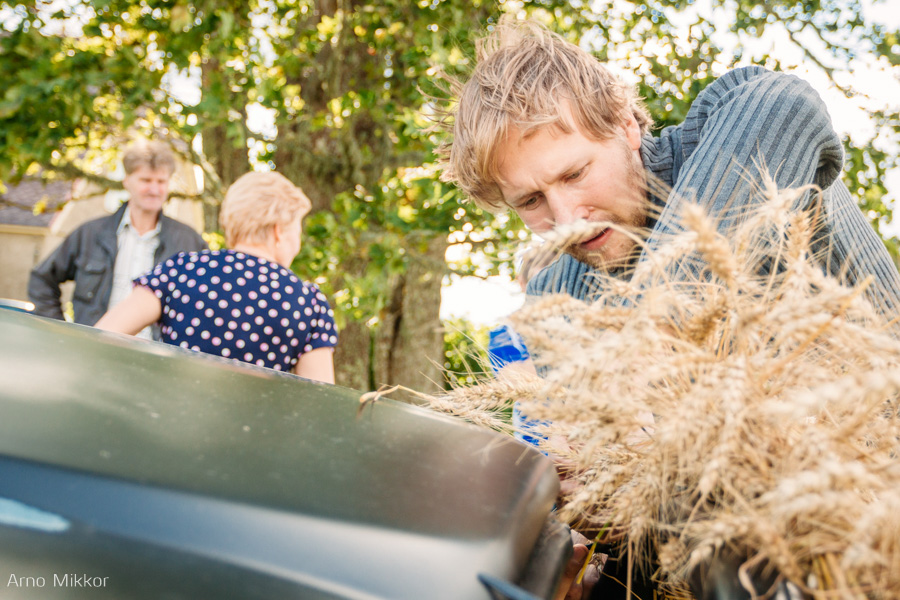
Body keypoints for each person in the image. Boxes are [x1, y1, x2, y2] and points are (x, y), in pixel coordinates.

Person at [437, 15, 900, 600]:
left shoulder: (736, 129)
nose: (567, 218)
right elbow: (624, 492)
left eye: (576, 172)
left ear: (627, 125)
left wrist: (652, 355)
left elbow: (784, 101)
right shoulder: (556, 295)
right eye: (531, 200)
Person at [95, 171, 337, 384]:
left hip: (170, 427)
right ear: (278, 230)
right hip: (259, 433)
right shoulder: (308, 303)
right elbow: (320, 403)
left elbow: (102, 337)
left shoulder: (181, 270)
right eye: (297, 229)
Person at [28, 140, 208, 339]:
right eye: (146, 180)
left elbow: (205, 303)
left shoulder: (189, 242)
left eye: (161, 182)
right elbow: (42, 280)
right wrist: (61, 332)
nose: (154, 189)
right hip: (94, 352)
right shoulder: (90, 234)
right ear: (127, 181)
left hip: (160, 360)